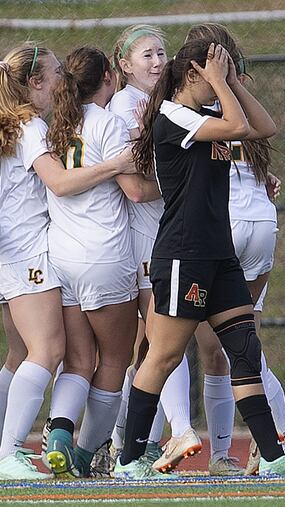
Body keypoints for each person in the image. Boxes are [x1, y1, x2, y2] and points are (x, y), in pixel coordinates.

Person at [112, 40, 285, 480]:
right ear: (193, 74)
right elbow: (236, 123)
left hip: (220, 256)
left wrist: (229, 80)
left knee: (245, 353)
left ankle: (273, 456)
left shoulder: (209, 115)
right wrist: (218, 81)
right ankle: (129, 460)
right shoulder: (173, 117)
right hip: (184, 255)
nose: (220, 83)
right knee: (164, 356)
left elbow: (262, 127)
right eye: (213, 73)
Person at [0, 44, 136, 480]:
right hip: (26, 252)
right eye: (57, 73)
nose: (65, 80)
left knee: (19, 355)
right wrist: (117, 163)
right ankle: (9, 453)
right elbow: (60, 182)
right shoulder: (30, 127)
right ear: (35, 84)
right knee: (48, 351)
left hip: (12, 250)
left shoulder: (32, 125)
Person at [184, 22, 285, 476]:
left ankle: (216, 450)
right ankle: (284, 443)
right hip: (259, 224)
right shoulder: (241, 100)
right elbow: (259, 138)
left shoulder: (186, 105)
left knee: (195, 348)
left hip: (222, 228)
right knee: (242, 342)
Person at [41, 46, 161, 479]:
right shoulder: (108, 124)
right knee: (114, 360)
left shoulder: (54, 125)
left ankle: (59, 433)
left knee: (77, 361)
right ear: (109, 77)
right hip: (105, 255)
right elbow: (136, 191)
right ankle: (87, 453)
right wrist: (188, 180)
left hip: (63, 256)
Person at [107, 24, 203, 475]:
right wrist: (186, 181)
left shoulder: (168, 104)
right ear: (124, 65)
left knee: (151, 350)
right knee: (165, 341)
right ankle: (177, 428)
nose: (157, 61)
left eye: (162, 53)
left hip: (167, 234)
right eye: (146, 55)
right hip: (145, 240)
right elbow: (136, 188)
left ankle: (124, 441)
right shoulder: (125, 108)